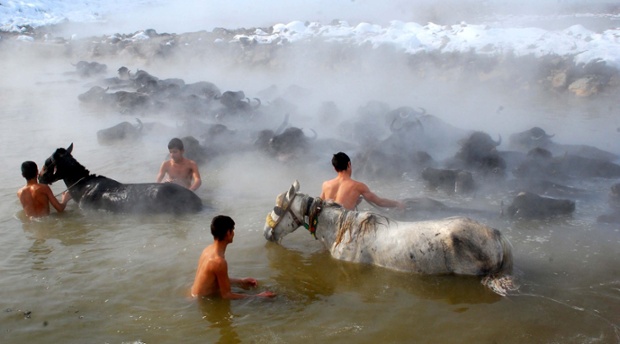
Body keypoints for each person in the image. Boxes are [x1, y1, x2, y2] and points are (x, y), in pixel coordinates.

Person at [191, 215, 276, 299]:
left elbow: (214, 280)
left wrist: (241, 281)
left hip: (193, 295)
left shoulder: (207, 250)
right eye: (233, 230)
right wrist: (258, 296)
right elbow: (226, 295)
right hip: (201, 301)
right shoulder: (219, 261)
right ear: (229, 233)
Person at [320, 152, 405, 211]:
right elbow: (380, 202)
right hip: (344, 225)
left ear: (334, 168)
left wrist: (353, 202)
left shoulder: (326, 184)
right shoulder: (358, 186)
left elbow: (320, 206)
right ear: (349, 164)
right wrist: (397, 203)